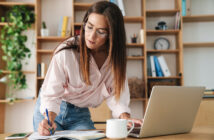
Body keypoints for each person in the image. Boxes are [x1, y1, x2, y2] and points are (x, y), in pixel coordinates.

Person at [33, 1, 142, 136]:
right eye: (89, 27)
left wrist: (126, 119)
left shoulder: (115, 59)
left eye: (101, 32)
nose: (91, 36)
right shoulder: (66, 52)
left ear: (112, 35)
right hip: (51, 110)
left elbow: (117, 94)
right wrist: (48, 121)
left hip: (80, 114)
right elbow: (52, 94)